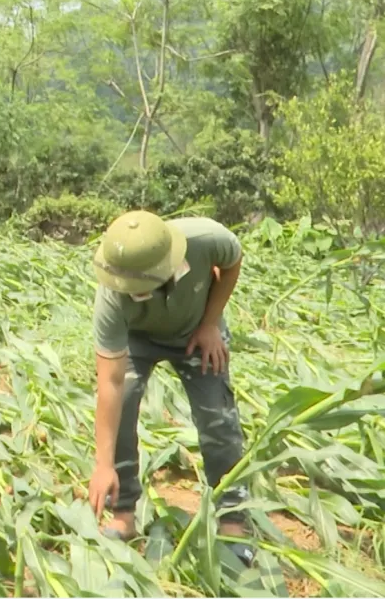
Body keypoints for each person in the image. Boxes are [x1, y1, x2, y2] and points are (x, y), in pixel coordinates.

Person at [85, 210, 255, 566]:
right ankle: (124, 512)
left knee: (217, 417)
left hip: (197, 331)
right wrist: (103, 465)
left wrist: (210, 323)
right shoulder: (113, 296)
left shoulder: (206, 239)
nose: (131, 292)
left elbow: (233, 261)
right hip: (139, 339)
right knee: (126, 401)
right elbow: (111, 383)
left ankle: (233, 517)